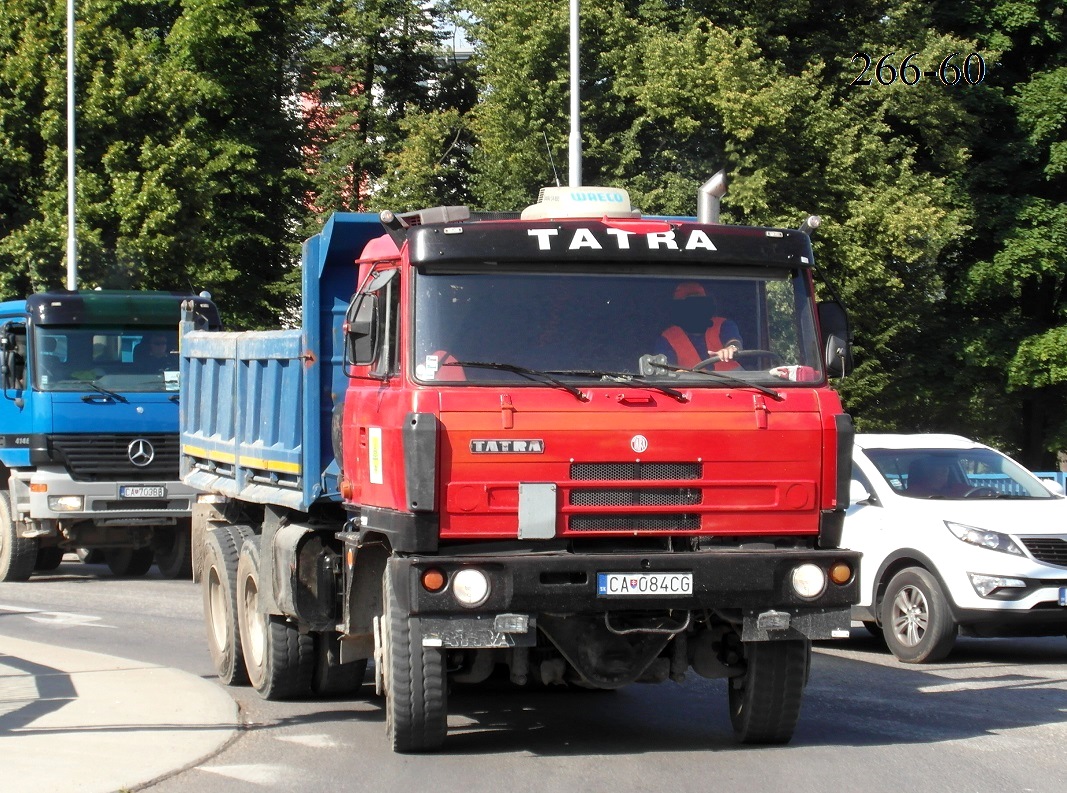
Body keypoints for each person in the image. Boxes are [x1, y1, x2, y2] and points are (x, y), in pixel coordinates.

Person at [656, 282, 742, 371]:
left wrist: (731, 348)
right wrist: (679, 373)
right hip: (692, 385)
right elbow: (665, 371)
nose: (695, 308)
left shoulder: (724, 325)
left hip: (738, 384)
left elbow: (734, 341)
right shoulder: (668, 337)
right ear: (678, 309)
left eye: (699, 303)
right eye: (688, 305)